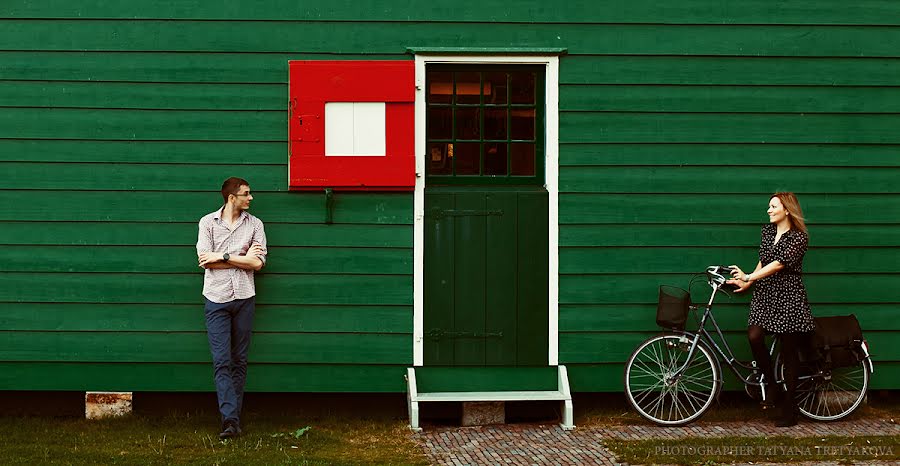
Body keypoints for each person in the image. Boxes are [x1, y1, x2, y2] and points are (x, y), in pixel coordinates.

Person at [727, 192, 814, 428]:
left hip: (788, 297)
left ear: (787, 209)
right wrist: (747, 282)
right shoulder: (767, 232)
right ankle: (773, 387)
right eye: (769, 206)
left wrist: (749, 276)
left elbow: (779, 264)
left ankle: (790, 407)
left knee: (788, 353)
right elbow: (764, 260)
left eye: (773, 206)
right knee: (755, 337)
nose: (769, 210)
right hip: (765, 295)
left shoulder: (798, 238)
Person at [196, 177, 268, 439]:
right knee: (222, 361)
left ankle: (232, 420)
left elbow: (258, 264)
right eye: (246, 194)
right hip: (216, 299)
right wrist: (243, 259)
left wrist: (223, 256)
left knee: (239, 360)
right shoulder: (208, 223)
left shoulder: (255, 224)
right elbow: (205, 261)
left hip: (244, 298)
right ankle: (230, 419)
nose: (250, 198)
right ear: (231, 198)